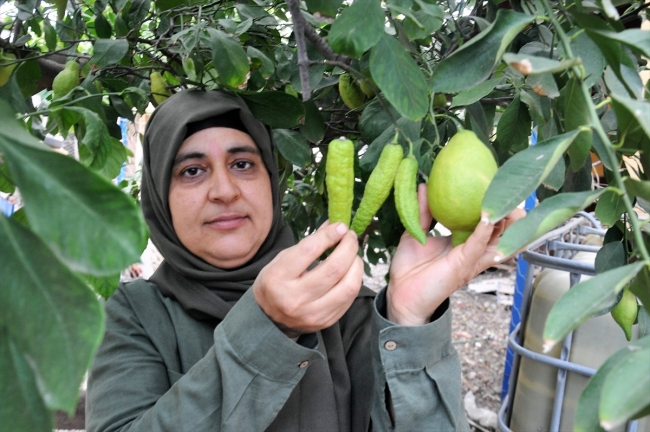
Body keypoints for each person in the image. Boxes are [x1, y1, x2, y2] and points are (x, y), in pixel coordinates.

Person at [85, 89, 523, 431]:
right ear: (160, 196)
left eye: (242, 164)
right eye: (192, 171)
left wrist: (409, 318)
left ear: (271, 183)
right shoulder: (133, 317)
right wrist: (268, 328)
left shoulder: (344, 312)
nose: (223, 191)